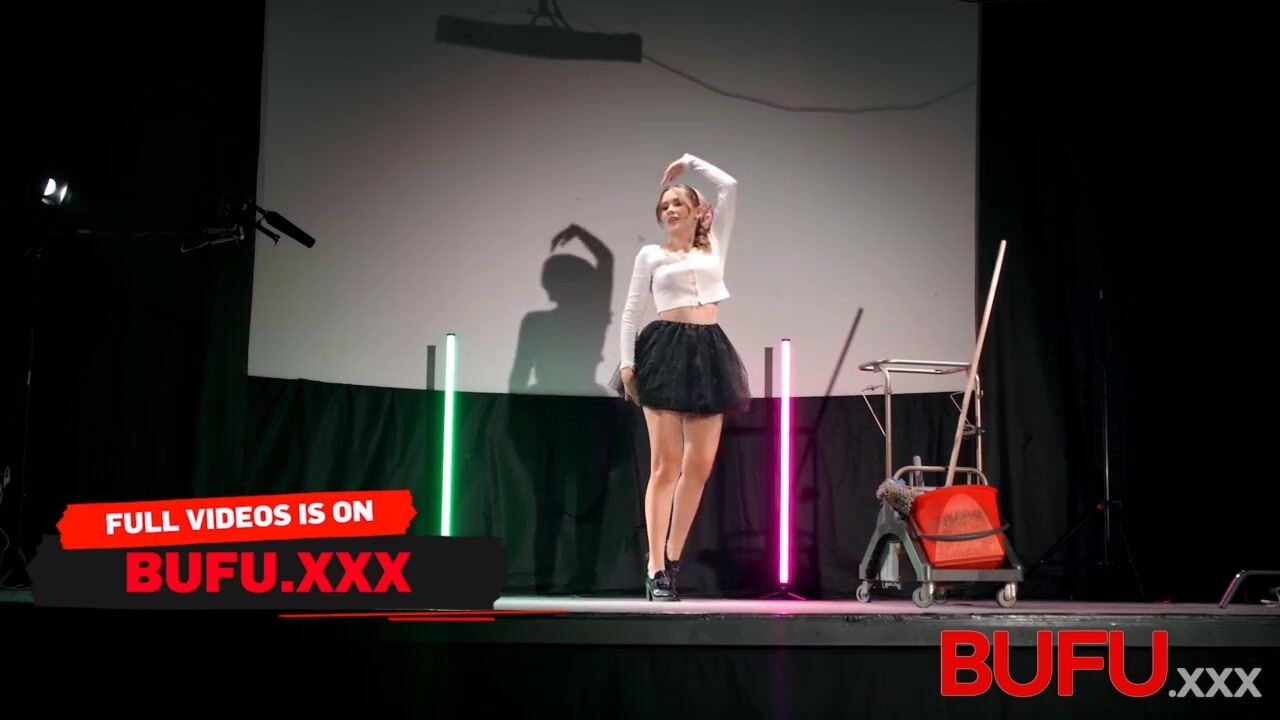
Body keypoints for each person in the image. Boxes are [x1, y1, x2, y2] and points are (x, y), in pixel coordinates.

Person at [611, 152, 751, 601]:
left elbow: (730, 186)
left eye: (678, 203)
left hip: (709, 352)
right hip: (664, 350)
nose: (670, 210)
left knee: (700, 465)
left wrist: (690, 162)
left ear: (696, 210)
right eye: (665, 205)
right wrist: (627, 364)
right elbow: (631, 311)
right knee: (665, 464)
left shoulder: (713, 245)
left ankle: (672, 558)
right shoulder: (651, 254)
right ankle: (654, 566)